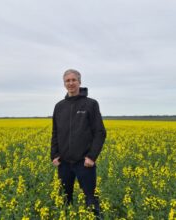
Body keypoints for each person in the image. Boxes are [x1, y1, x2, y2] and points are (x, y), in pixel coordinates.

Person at [51, 69, 106, 216]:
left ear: (79, 82)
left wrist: (92, 157)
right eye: (67, 81)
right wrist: (54, 155)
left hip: (84, 162)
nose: (70, 83)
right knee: (64, 200)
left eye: (73, 80)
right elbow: (55, 132)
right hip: (64, 163)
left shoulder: (91, 104)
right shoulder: (59, 106)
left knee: (91, 200)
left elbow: (100, 132)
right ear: (64, 84)